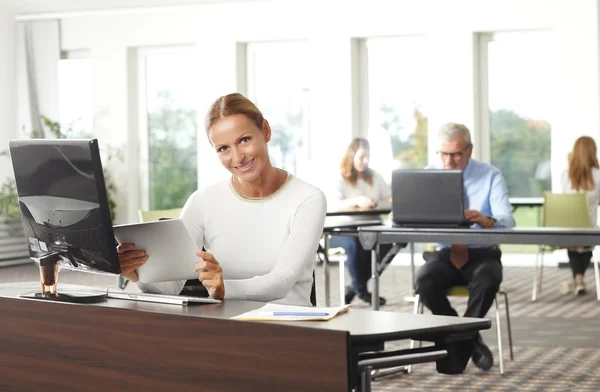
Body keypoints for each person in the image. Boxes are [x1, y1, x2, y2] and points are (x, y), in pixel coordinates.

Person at [117, 93, 327, 306]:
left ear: (265, 130)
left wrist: (224, 287)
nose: (237, 158)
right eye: (223, 148)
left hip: (292, 326)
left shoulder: (308, 198)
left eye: (244, 140)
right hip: (227, 327)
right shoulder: (202, 201)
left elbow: (282, 282)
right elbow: (171, 286)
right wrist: (137, 273)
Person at [414, 122, 515, 371]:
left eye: (456, 154)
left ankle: (458, 345)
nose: (449, 161)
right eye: (444, 154)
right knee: (424, 282)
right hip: (443, 253)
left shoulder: (490, 175)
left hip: (482, 253)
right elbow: (410, 218)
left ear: (470, 150)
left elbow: (508, 221)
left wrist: (487, 220)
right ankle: (471, 339)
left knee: (487, 280)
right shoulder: (427, 175)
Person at [330, 138, 392, 306]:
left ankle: (355, 287)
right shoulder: (339, 177)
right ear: (351, 156)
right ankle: (362, 290)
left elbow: (387, 197)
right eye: (361, 157)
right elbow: (334, 204)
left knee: (395, 240)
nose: (365, 161)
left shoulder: (375, 176)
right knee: (356, 244)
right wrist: (357, 200)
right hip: (344, 228)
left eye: (368, 157)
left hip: (373, 225)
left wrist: (392, 202)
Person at [560, 136, 600, 295]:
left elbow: (566, 201)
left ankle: (577, 278)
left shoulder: (565, 175)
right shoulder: (598, 175)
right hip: (589, 230)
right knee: (588, 238)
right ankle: (578, 278)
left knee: (574, 241)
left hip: (568, 230)